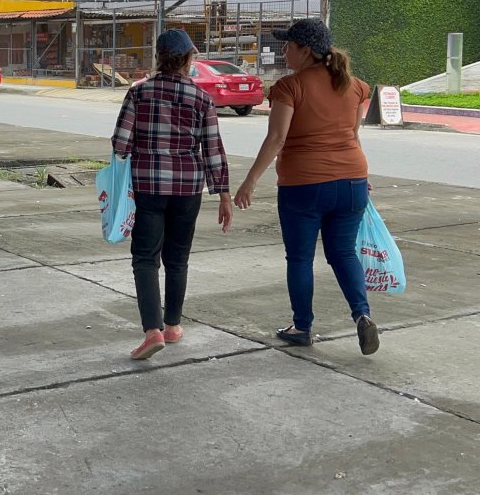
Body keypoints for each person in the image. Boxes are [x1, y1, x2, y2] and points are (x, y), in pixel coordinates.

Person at [232, 18, 379, 356]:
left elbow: (277, 138)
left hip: (305, 184)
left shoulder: (289, 87)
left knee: (299, 257)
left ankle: (301, 327)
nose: (284, 50)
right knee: (343, 253)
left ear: (307, 51)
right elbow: (352, 135)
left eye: (289, 45)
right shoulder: (356, 86)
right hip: (353, 180)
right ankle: (362, 314)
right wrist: (360, 179)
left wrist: (250, 180)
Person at [111, 29, 233, 361]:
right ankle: (173, 326)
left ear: (160, 57)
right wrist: (223, 195)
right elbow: (213, 151)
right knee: (177, 259)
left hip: (148, 186)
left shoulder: (139, 94)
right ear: (188, 60)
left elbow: (120, 143)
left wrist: (144, 149)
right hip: (188, 188)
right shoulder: (202, 99)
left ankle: (152, 331)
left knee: (145, 258)